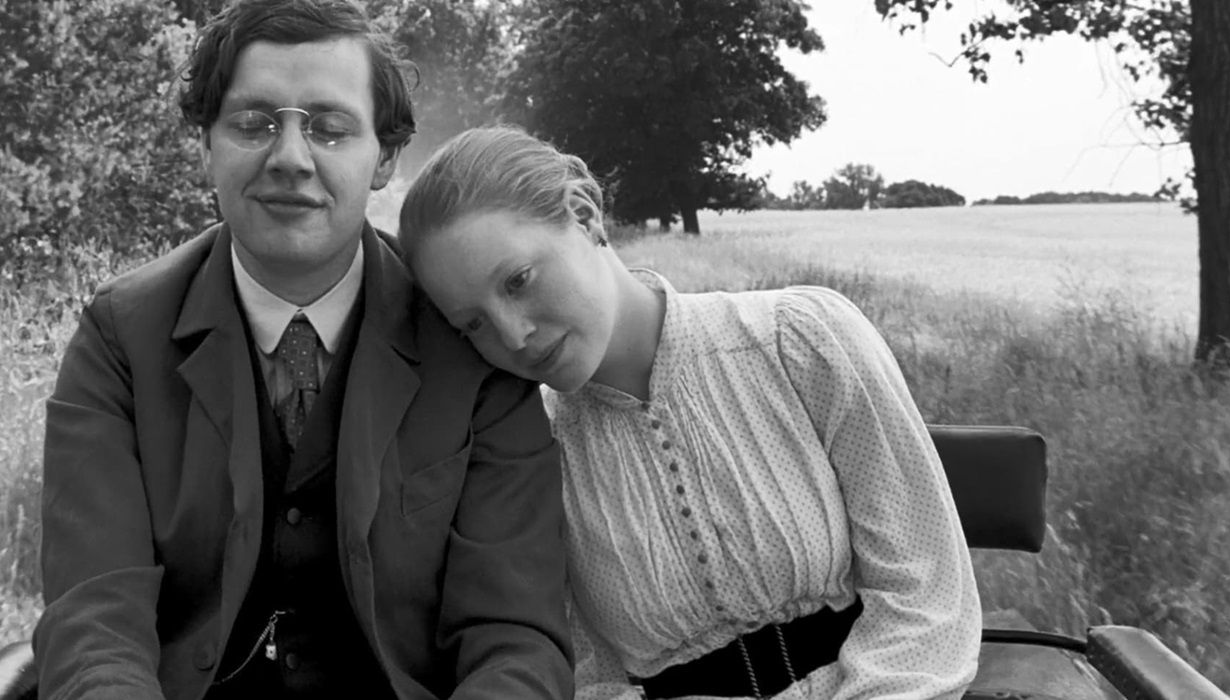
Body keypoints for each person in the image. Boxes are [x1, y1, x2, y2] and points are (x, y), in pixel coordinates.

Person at [34, 4, 572, 699]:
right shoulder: (118, 339)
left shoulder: (468, 336)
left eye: (330, 127)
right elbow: (94, 621)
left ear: (385, 157)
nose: (290, 158)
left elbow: (516, 640)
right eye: (254, 123)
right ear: (205, 148)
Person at [396, 126, 982, 700]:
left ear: (583, 215)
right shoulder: (533, 451)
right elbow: (586, 671)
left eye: (518, 281)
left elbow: (924, 597)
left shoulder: (800, 340)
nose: (513, 335)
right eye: (471, 324)